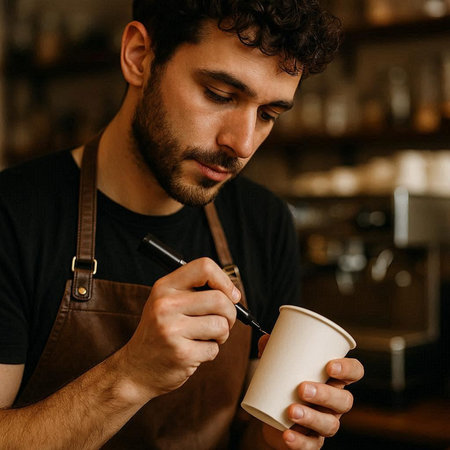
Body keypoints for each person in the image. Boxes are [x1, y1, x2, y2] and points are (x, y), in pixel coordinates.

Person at [0, 1, 364, 448]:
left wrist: (277, 436)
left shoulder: (264, 222)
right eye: (219, 94)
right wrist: (129, 376)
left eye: (268, 114)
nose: (242, 143)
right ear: (139, 56)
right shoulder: (13, 215)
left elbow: (247, 435)